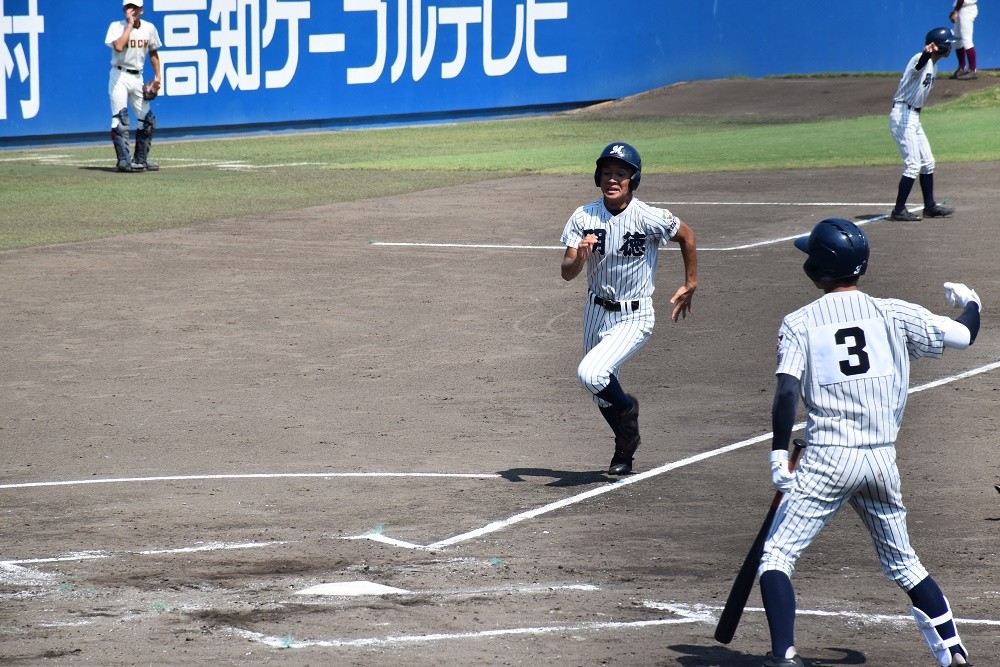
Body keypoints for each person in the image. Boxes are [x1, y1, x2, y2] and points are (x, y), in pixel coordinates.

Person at [757, 218, 981, 667]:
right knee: (904, 563)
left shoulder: (799, 322)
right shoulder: (894, 313)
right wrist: (972, 301)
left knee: (777, 556)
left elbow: (785, 392)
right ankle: (952, 651)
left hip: (827, 460)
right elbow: (964, 334)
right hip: (881, 462)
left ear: (817, 267)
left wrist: (780, 454)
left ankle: (784, 655)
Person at [559, 142, 697, 475]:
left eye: (620, 173)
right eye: (606, 173)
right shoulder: (584, 216)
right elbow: (567, 272)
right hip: (596, 311)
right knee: (599, 391)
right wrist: (580, 253)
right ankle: (626, 450)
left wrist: (691, 282)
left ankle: (628, 415)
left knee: (591, 373)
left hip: (635, 314)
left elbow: (687, 236)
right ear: (598, 177)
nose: (612, 179)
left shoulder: (648, 216)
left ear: (632, 179)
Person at [888, 27, 957, 222]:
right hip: (902, 114)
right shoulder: (920, 58)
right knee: (913, 165)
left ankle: (929, 207)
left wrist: (929, 58)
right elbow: (918, 66)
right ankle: (898, 210)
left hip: (913, 117)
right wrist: (926, 55)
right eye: (949, 43)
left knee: (928, 162)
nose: (951, 47)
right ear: (939, 46)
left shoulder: (934, 66)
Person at [105, 0, 162, 172]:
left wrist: (158, 77)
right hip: (119, 75)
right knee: (121, 120)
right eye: (128, 7)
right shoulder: (117, 26)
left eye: (135, 7)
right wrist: (129, 26)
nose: (132, 10)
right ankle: (123, 161)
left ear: (141, 10)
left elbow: (153, 52)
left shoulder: (149, 28)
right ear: (124, 10)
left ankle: (140, 160)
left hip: (138, 77)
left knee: (148, 120)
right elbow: (119, 46)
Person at [949, 0, 979, 79]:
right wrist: (956, 10)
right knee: (957, 39)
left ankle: (973, 70)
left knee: (966, 39)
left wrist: (955, 11)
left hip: (967, 9)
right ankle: (962, 68)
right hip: (960, 8)